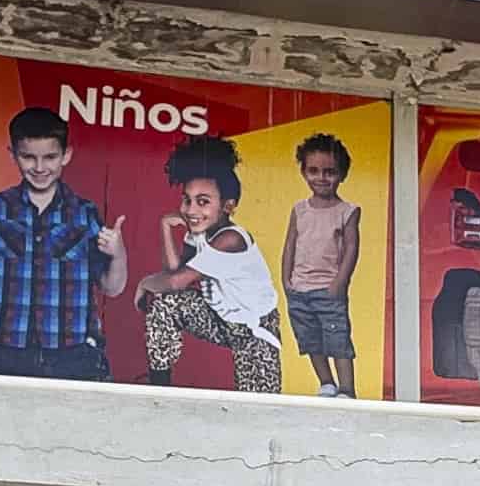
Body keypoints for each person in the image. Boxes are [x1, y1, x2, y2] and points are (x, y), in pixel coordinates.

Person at [0, 106, 125, 377]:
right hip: (4, 351)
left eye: (49, 157)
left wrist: (118, 254)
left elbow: (112, 286)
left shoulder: (84, 213)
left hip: (73, 354)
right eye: (28, 157)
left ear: (65, 155)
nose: (39, 168)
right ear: (13, 154)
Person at [133, 136, 284, 393]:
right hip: (220, 321)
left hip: (255, 332)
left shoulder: (231, 238)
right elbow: (175, 279)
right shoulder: (200, 232)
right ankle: (159, 388)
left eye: (203, 201)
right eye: (187, 199)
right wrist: (166, 227)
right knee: (166, 303)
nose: (191, 210)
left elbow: (175, 281)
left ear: (228, 206)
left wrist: (144, 283)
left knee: (257, 412)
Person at [280, 132, 362, 397]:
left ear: (342, 174)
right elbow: (290, 244)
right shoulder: (299, 209)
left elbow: (351, 248)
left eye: (330, 172)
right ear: (303, 172)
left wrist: (340, 283)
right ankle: (327, 383)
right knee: (310, 340)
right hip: (299, 289)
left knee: (338, 340)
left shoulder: (347, 211)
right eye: (314, 171)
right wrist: (286, 280)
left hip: (329, 289)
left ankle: (347, 389)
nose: (321, 178)